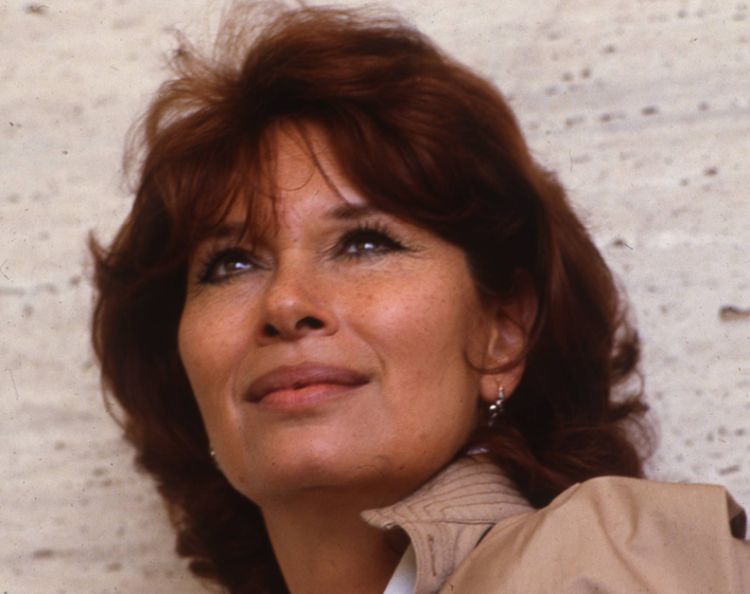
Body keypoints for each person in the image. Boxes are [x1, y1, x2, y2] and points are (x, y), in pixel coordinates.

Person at [89, 3, 750, 593]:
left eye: (364, 244)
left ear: (502, 330)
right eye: (230, 263)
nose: (286, 303)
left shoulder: (598, 566)